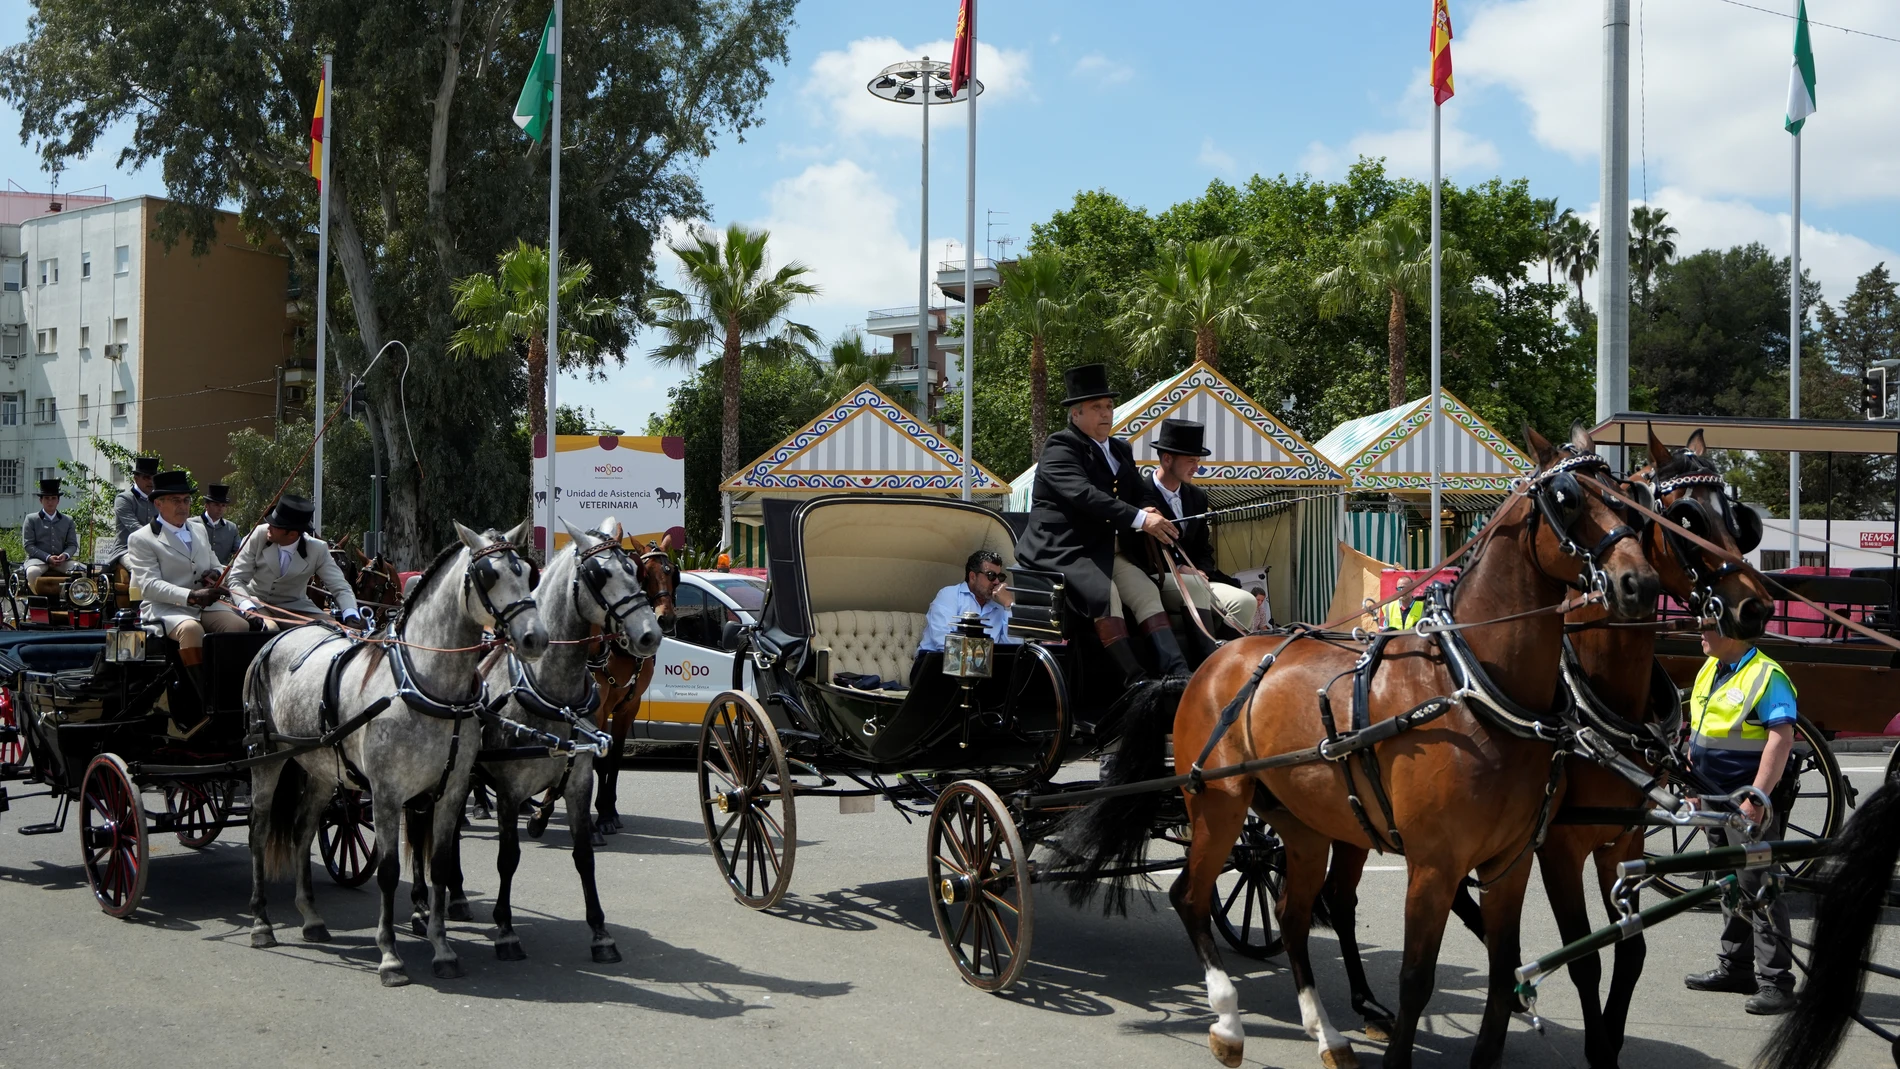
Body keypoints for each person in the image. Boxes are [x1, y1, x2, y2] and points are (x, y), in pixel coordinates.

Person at [1015, 363, 1187, 682]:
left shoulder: (1120, 449)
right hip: (1063, 550)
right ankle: (1134, 680)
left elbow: (1138, 492)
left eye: (1108, 406)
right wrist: (1141, 518)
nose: (1106, 413)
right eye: (1097, 407)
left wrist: (1151, 509)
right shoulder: (1060, 447)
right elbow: (1084, 494)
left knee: (1146, 592)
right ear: (1076, 414)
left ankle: (1177, 674)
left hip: (1105, 551)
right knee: (1104, 593)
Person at [1681, 626, 1798, 1016]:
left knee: (1760, 887)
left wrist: (1757, 797)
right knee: (1729, 884)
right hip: (1712, 796)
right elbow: (1699, 731)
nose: (1699, 630)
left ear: (1732, 632)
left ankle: (1777, 982)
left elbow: (1781, 739)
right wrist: (1691, 784)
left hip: (1746, 802)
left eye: (1708, 625)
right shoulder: (1711, 668)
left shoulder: (1768, 675)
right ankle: (1735, 968)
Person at [125, 470, 248, 707]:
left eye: (186, 500)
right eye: (176, 500)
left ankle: (232, 691)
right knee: (191, 630)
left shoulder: (198, 529)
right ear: (158, 503)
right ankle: (203, 697)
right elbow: (150, 585)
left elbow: (213, 562)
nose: (183, 506)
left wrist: (217, 575)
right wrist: (190, 596)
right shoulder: (142, 539)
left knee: (239, 626)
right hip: (166, 608)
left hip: (204, 605)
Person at [1138, 418, 1257, 655]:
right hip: (1156, 579)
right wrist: (1180, 569)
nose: (1197, 467)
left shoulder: (1198, 497)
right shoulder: (1139, 493)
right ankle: (1205, 661)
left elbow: (1204, 548)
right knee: (1194, 586)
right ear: (1167, 459)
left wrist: (1201, 570)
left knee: (1246, 602)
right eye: (1191, 461)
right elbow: (1135, 551)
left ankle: (1221, 662)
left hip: (1197, 580)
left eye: (1198, 461)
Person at [227, 495, 361, 630]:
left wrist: (351, 615)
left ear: (292, 534)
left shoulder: (318, 549)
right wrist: (249, 609)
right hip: (257, 603)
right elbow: (236, 579)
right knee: (270, 629)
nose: (269, 527)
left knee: (334, 630)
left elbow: (340, 586)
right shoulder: (258, 534)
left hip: (297, 607)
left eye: (275, 525)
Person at [918, 550, 1022, 655]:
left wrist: (1009, 606)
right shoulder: (949, 595)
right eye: (991, 575)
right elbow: (944, 643)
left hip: (979, 668)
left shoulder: (1000, 609)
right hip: (937, 661)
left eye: (1000, 577)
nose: (997, 582)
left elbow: (1013, 650)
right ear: (972, 577)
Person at [21, 478, 82, 586]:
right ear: (41, 500)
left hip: (62, 561)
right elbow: (28, 545)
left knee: (83, 571)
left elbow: (72, 545)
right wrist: (47, 557)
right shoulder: (31, 519)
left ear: (58, 500)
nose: (50, 502)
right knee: (32, 572)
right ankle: (36, 600)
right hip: (38, 561)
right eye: (47, 498)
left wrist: (65, 555)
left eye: (53, 498)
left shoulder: (68, 520)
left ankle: (75, 599)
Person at [112, 456, 160, 553]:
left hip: (155, 550)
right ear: (136, 478)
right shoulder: (124, 499)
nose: (151, 481)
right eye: (146, 478)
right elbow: (135, 528)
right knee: (139, 568)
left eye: (153, 478)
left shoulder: (159, 500)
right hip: (126, 550)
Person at [200, 483, 240, 565]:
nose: (220, 509)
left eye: (223, 505)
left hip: (221, 574)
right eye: (216, 505)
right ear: (206, 506)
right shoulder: (192, 524)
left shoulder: (231, 528)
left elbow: (240, 552)